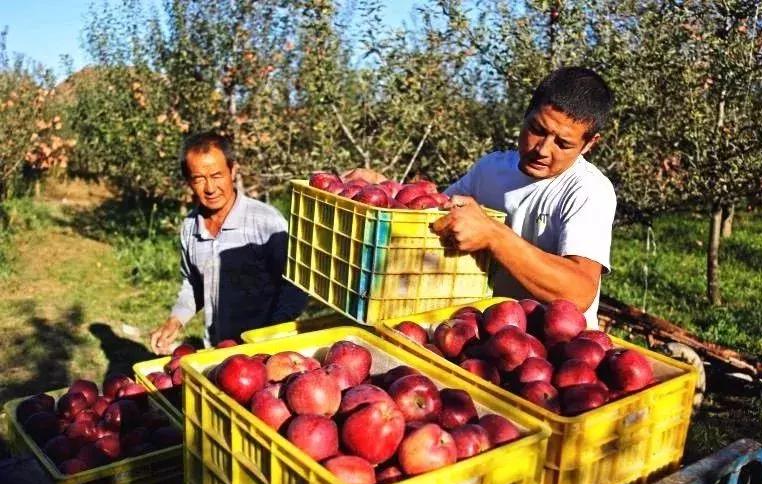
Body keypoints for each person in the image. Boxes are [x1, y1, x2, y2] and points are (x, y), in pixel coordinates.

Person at [345, 67, 615, 328]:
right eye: (537, 129)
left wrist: (493, 235)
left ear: (590, 144)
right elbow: (433, 214)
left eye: (563, 144)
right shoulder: (491, 169)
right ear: (525, 115)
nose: (543, 149)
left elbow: (579, 291)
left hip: (555, 354)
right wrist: (384, 188)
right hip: (488, 335)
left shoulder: (588, 191)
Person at [150, 131, 307, 353]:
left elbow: (296, 284)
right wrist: (176, 319)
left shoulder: (265, 222)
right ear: (188, 182)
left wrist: (271, 333)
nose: (210, 188)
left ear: (233, 171)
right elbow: (193, 283)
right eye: (199, 179)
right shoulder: (190, 227)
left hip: (267, 352)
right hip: (218, 351)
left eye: (216, 175)